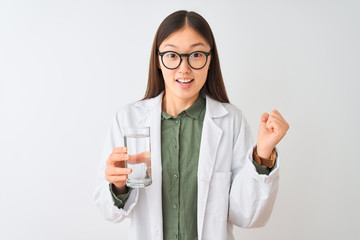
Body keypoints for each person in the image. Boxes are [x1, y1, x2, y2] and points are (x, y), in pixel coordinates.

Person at [94, 10, 289, 240]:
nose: (184, 68)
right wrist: (118, 187)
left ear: (210, 60)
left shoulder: (231, 121)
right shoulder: (127, 119)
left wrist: (263, 154)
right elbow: (107, 210)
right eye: (172, 55)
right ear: (158, 59)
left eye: (196, 54)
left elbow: (247, 215)